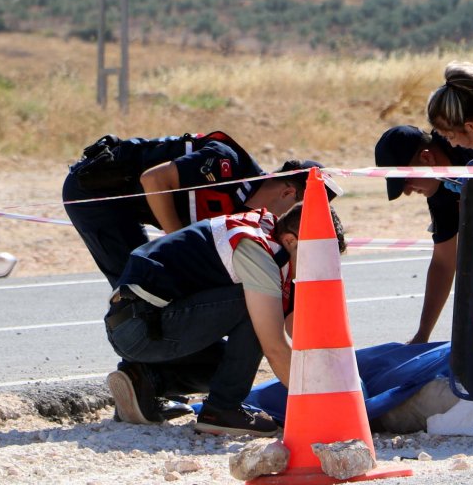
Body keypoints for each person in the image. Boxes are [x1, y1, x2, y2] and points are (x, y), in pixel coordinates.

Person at [62, 132, 339, 423]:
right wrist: (175, 238)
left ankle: (148, 381)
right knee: (144, 291)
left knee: (229, 317)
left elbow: (282, 303)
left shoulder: (255, 226)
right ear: (288, 194)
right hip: (97, 190)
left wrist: (331, 361)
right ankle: (140, 375)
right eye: (300, 211)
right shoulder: (228, 162)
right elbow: (154, 180)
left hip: (137, 209)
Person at [103, 202, 347, 436]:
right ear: (291, 240)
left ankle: (145, 380)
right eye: (318, 258)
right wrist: (320, 409)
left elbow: (305, 337)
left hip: (137, 323)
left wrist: (338, 374)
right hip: (140, 326)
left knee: (230, 370)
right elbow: (275, 347)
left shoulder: (271, 239)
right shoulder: (258, 251)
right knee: (258, 312)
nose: (320, 269)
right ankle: (222, 410)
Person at [373, 125, 473, 344]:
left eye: (405, 180)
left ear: (426, 158)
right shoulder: (440, 193)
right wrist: (423, 334)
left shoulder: (470, 142)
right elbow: (443, 262)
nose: (407, 191)